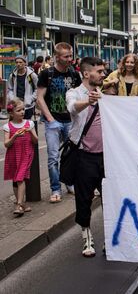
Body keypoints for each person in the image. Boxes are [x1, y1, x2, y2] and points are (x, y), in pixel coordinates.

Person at [66, 57, 105, 257]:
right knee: (84, 199)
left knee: (110, 197)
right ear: (87, 73)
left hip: (105, 156)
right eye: (99, 71)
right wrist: (87, 101)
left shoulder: (104, 93)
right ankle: (87, 237)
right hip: (84, 156)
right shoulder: (74, 93)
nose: (103, 74)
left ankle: (111, 237)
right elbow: (72, 107)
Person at [36, 42, 82, 203]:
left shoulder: (74, 74)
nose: (70, 59)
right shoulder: (47, 74)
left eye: (71, 55)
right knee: (53, 157)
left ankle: (69, 183)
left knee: (70, 155)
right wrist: (50, 119)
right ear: (57, 57)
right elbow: (39, 98)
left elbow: (78, 96)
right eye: (66, 56)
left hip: (70, 121)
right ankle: (55, 189)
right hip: (53, 121)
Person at [3, 98, 39, 216]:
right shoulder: (8, 126)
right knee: (15, 179)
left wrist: (30, 132)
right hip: (13, 156)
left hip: (26, 154)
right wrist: (15, 136)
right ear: (11, 113)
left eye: (23, 109)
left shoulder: (29, 124)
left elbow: (35, 140)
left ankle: (18, 204)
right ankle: (22, 203)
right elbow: (6, 144)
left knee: (20, 178)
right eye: (19, 110)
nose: (22, 112)